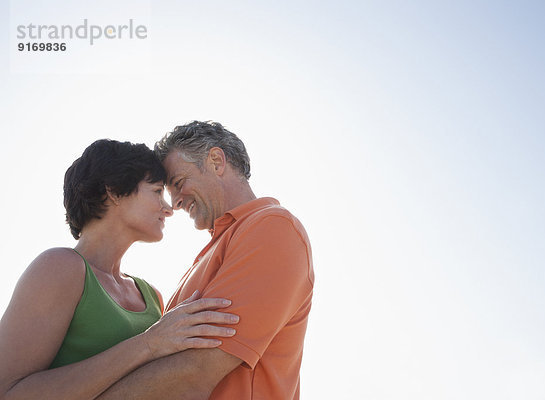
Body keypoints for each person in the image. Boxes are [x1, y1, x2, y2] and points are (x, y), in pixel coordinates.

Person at [0, 139, 239, 400]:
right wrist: (148, 343)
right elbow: (9, 392)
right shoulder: (59, 268)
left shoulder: (151, 296)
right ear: (113, 191)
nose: (169, 208)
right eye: (157, 191)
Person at [95, 121, 315, 400]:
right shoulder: (213, 251)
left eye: (178, 183)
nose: (173, 203)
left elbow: (195, 372)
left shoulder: (272, 228)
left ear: (215, 161)